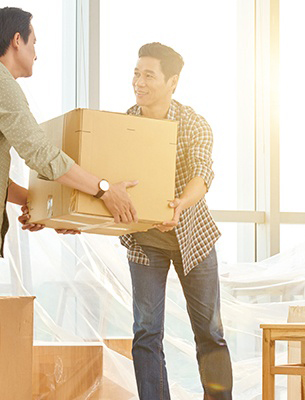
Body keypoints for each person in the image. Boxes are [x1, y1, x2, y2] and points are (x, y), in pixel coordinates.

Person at [0, 7, 138, 400]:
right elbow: (40, 152)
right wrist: (103, 189)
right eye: (34, 42)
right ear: (16, 40)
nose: (37, 52)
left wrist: (47, 211)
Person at [120, 42, 233, 400]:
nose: (139, 82)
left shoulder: (194, 124)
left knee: (209, 333)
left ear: (172, 82)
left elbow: (202, 172)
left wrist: (180, 204)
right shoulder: (125, 124)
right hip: (145, 241)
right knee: (146, 332)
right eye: (136, 73)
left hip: (192, 238)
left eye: (148, 75)